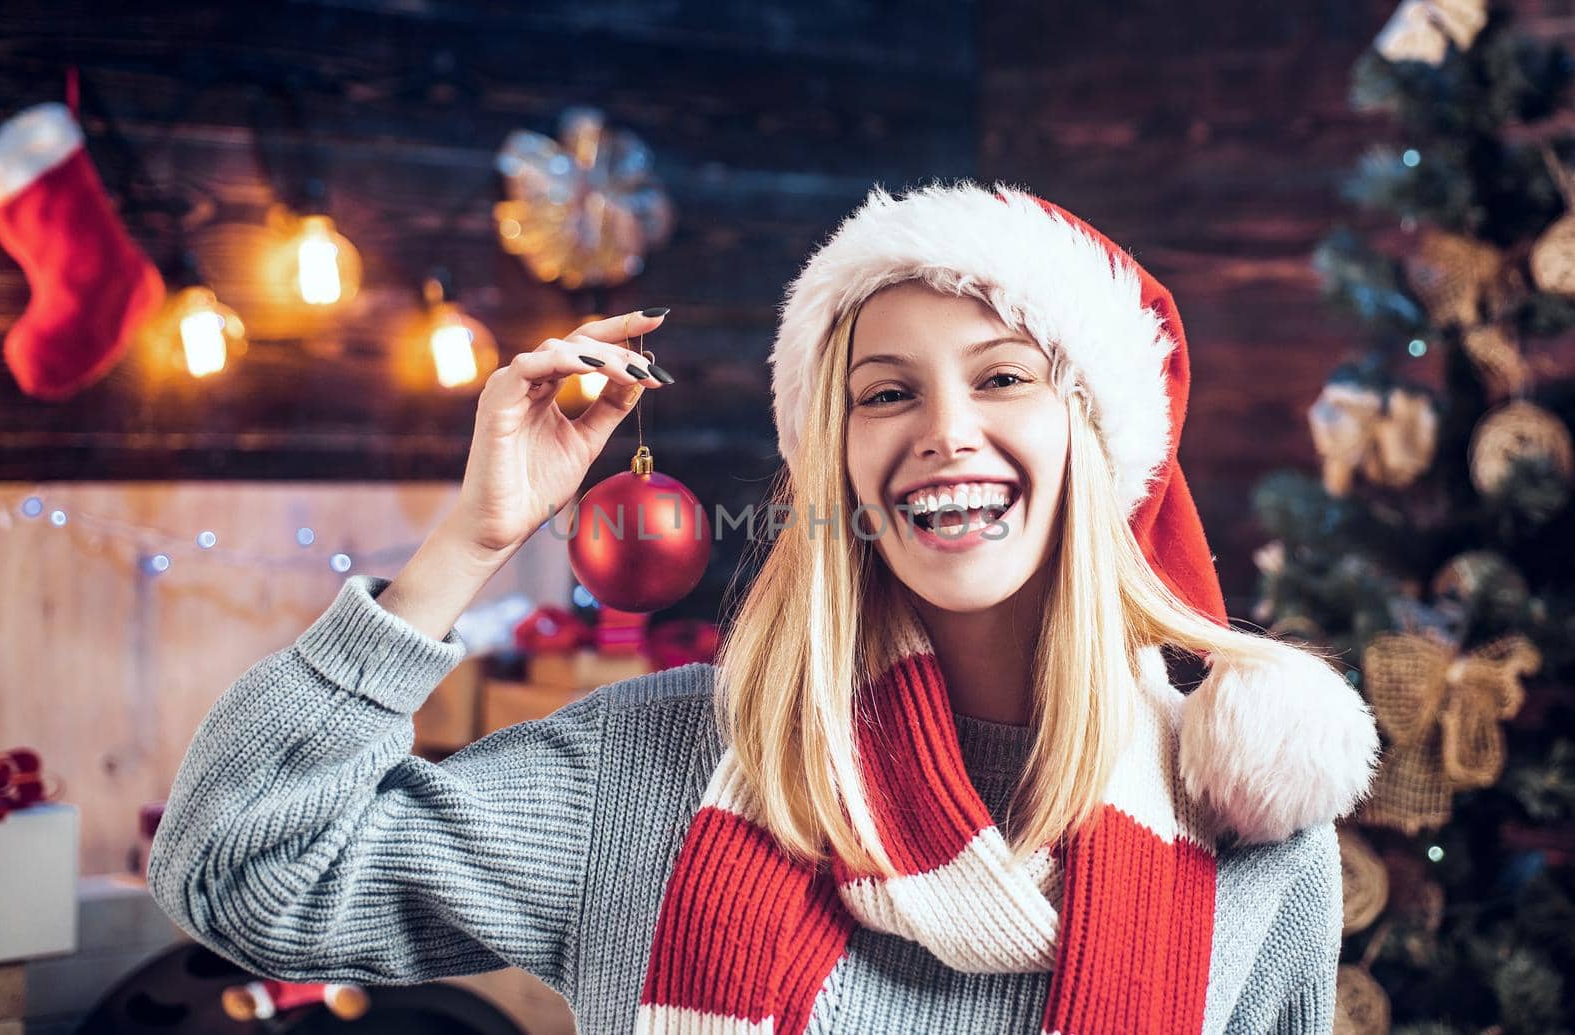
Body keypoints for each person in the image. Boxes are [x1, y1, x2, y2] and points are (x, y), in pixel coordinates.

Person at [148, 180, 1382, 1035]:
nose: (945, 430)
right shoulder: (652, 768)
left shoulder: (1246, 820)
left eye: (1003, 377)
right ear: (833, 461)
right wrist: (464, 547)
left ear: (1095, 441)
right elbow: (243, 870)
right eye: (884, 393)